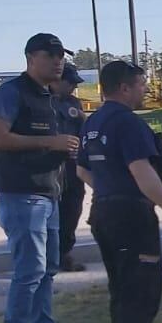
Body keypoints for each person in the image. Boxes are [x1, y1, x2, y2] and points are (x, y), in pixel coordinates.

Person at [77, 61, 162, 323]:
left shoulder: (93, 122)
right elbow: (143, 172)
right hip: (132, 217)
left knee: (122, 292)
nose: (145, 91)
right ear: (124, 88)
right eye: (141, 85)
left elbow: (82, 171)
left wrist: (109, 187)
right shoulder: (128, 123)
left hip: (104, 214)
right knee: (140, 295)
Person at [0, 34, 91, 323]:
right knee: (29, 270)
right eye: (52, 55)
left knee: (47, 269)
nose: (59, 61)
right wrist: (52, 141)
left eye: (62, 55)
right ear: (31, 56)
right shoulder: (12, 92)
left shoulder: (49, 95)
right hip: (22, 193)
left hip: (50, 193)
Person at [53, 63, 88, 272]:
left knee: (72, 210)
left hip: (73, 166)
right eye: (70, 83)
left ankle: (65, 253)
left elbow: (84, 131)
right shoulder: (42, 102)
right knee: (52, 213)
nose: (74, 87)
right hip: (51, 167)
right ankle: (51, 256)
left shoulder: (74, 103)